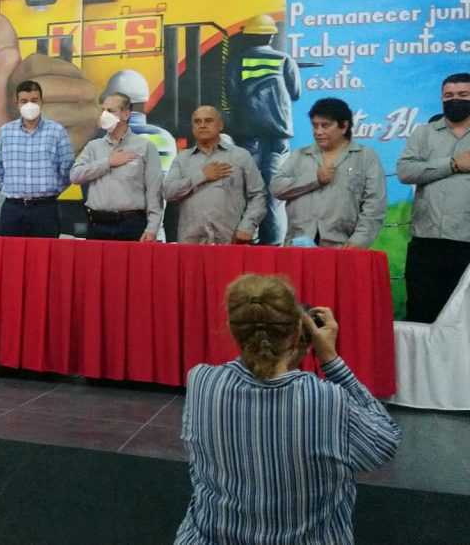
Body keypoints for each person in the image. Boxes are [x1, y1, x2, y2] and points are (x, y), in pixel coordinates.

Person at [176, 273, 400, 544]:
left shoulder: (201, 382)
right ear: (298, 332)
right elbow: (383, 446)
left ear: (233, 329)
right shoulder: (328, 400)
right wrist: (331, 359)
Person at [397, 73, 470, 323]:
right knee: (422, 313)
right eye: (449, 95)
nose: (455, 100)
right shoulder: (424, 133)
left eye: (463, 95)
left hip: (466, 241)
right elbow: (405, 171)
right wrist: (453, 164)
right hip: (427, 243)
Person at [225, 15, 301, 245]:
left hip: (247, 134)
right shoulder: (284, 59)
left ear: (248, 37)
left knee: (249, 190)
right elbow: (295, 93)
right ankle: (274, 244)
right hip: (278, 135)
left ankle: (248, 238)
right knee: (275, 192)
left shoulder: (237, 61)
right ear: (270, 36)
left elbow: (232, 95)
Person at [270, 98, 386, 248]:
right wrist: (315, 179)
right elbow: (276, 188)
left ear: (344, 126)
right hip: (298, 245)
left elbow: (375, 205)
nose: (318, 132)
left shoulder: (365, 156)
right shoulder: (300, 155)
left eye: (325, 126)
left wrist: (359, 240)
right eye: (315, 126)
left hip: (343, 246)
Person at [162, 106, 266, 244]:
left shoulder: (241, 156)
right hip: (191, 241)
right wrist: (202, 176)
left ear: (220, 125)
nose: (202, 125)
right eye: (197, 122)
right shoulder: (182, 159)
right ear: (193, 127)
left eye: (208, 121)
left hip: (231, 239)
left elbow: (258, 194)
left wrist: (248, 226)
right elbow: (168, 193)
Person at [70, 92, 163, 242]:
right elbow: (75, 176)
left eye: (110, 111)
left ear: (126, 114)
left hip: (132, 224)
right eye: (103, 110)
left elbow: (154, 190)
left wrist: (152, 228)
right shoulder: (93, 146)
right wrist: (107, 163)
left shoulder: (145, 147)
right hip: (97, 224)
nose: (104, 115)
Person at [0, 79, 74, 238]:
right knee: (11, 252)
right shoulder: (5, 132)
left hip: (45, 209)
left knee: (45, 253)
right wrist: (12, 190)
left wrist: (51, 191)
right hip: (13, 208)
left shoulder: (57, 131)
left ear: (42, 102)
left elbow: (67, 168)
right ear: (17, 104)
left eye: (34, 100)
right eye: (24, 101)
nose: (29, 105)